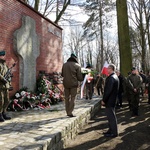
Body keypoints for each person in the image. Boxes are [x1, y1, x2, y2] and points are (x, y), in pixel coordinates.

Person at [101, 64, 119, 138]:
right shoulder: (114, 77)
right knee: (110, 116)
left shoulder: (112, 78)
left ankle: (114, 132)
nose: (107, 69)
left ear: (111, 69)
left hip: (110, 100)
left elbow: (108, 91)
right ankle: (111, 130)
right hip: (112, 99)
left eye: (108, 68)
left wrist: (104, 100)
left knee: (111, 117)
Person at [0, 50, 11, 122]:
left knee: (7, 100)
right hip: (0, 85)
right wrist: (3, 79)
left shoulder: (5, 65)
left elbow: (8, 73)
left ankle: (4, 112)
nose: (4, 56)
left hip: (6, 86)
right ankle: (0, 114)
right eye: (3, 55)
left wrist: (9, 80)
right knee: (1, 100)